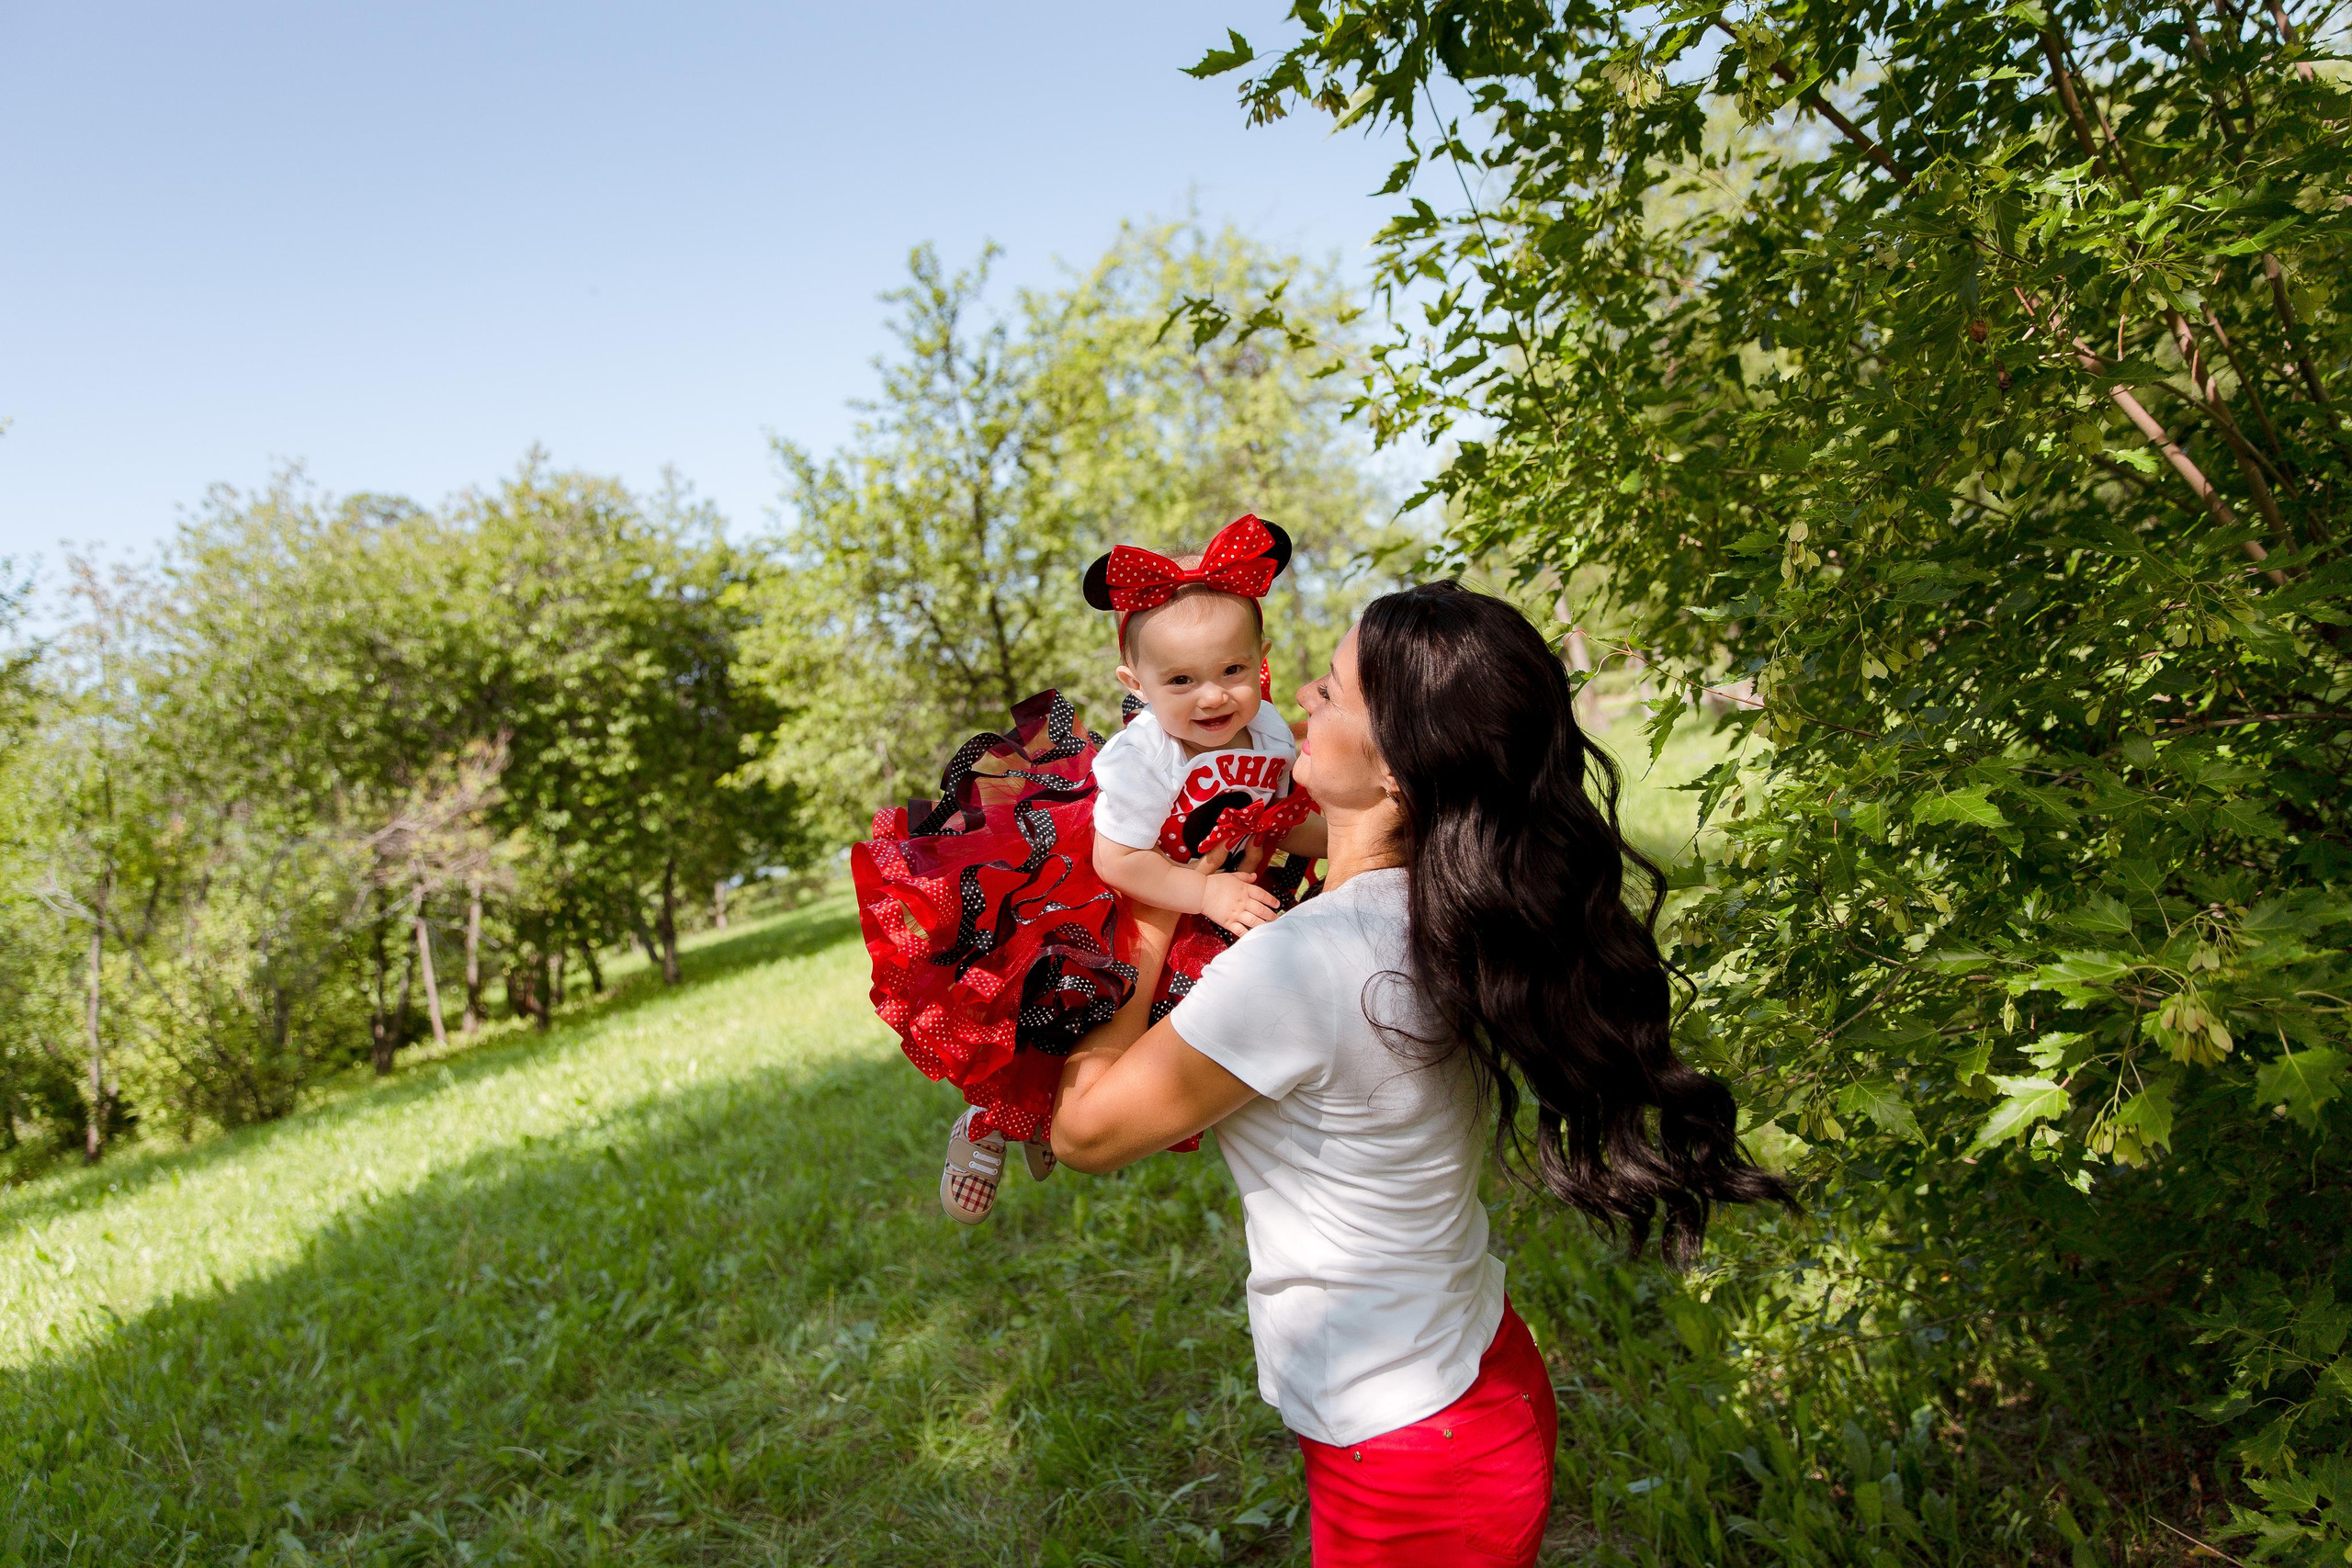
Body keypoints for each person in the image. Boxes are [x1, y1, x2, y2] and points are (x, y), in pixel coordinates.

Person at [1051, 581, 1791, 1567]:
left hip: (1409, 1456)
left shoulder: (1300, 963)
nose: (1301, 692)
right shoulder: (1439, 908)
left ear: (1398, 767)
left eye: (1337, 691)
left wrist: (1142, 900)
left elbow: (1084, 1133)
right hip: (1468, 1378)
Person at [851, 514, 1327, 1224]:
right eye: (1182, 679)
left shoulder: (1269, 732)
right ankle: (987, 1124)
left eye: (1232, 670)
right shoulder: (1144, 757)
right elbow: (1117, 857)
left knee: (1149, 1037)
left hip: (1204, 893)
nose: (1212, 697)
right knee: (1051, 1012)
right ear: (1135, 682)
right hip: (1104, 890)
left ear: (1260, 657)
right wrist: (1201, 888)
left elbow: (1289, 814)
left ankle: (1049, 1119)